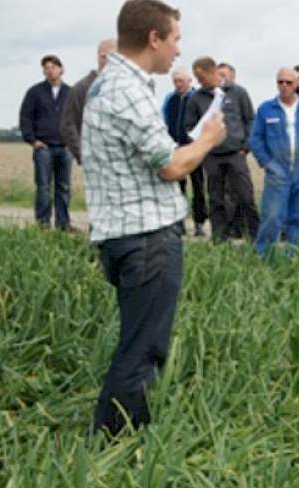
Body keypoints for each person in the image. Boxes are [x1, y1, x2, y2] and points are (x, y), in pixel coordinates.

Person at [82, 0, 226, 435]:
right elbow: (171, 165)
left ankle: (115, 429)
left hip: (124, 235)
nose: (178, 50)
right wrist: (208, 140)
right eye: (175, 39)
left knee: (136, 340)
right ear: (154, 38)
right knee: (143, 350)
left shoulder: (110, 84)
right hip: (146, 240)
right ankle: (118, 441)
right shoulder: (128, 90)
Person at [249, 67, 299, 257]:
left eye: (289, 82)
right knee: (272, 216)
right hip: (278, 172)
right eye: (280, 82)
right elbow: (256, 139)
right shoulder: (266, 109)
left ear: (297, 84)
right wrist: (267, 163)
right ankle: (263, 257)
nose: (284, 86)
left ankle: (295, 257)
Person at [184, 56, 260, 242]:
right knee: (216, 199)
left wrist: (245, 146)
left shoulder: (238, 92)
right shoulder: (196, 99)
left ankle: (256, 238)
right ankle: (220, 240)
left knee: (245, 196)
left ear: (213, 72)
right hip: (212, 156)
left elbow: (250, 119)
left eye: (200, 77)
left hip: (236, 153)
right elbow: (189, 126)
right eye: (195, 77)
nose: (198, 81)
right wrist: (202, 146)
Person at [19, 54, 73, 231]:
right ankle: (42, 225)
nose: (49, 70)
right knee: (43, 187)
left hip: (65, 148)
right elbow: (25, 117)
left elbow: (77, 119)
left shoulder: (70, 93)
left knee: (63, 187)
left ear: (61, 69)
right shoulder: (35, 92)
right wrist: (32, 140)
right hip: (44, 147)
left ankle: (63, 224)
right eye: (46, 68)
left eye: (53, 67)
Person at [161, 67, 208, 236]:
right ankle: (178, 222)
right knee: (177, 188)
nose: (178, 84)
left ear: (189, 81)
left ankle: (199, 223)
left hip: (194, 149)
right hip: (175, 149)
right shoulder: (170, 99)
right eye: (175, 81)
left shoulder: (197, 98)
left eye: (181, 81)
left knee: (198, 187)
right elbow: (164, 120)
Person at [62, 39, 116, 165]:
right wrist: (82, 155)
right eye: (106, 57)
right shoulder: (81, 88)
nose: (110, 61)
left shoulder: (125, 86)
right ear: (100, 57)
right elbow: (68, 125)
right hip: (94, 161)